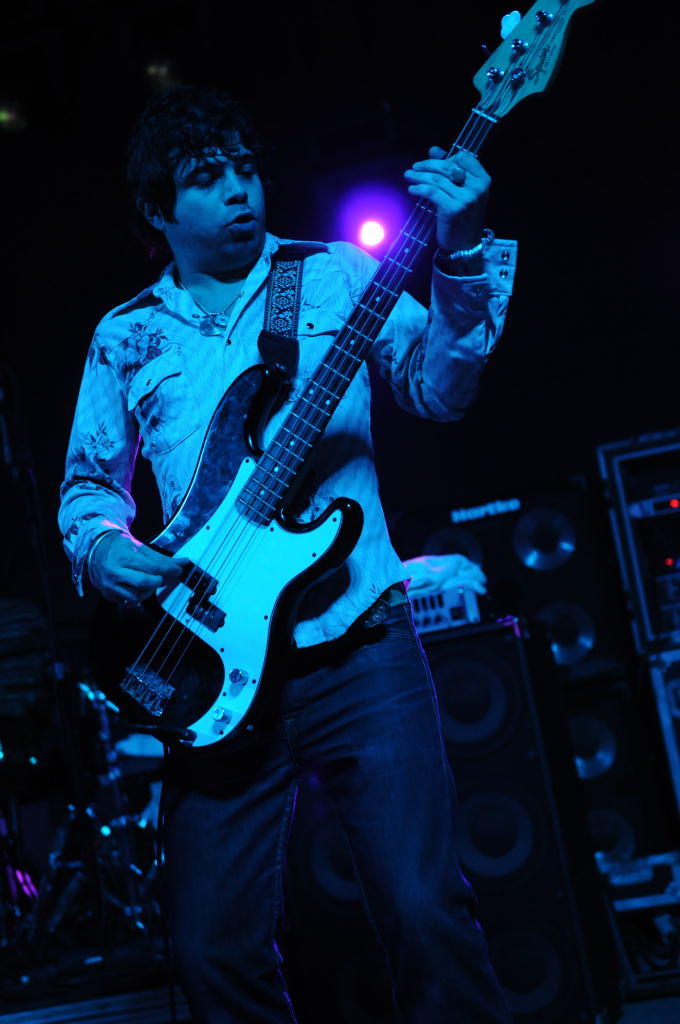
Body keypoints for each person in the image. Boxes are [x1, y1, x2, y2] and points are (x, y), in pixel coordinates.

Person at [59, 85, 516, 1023]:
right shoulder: (126, 334)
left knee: (425, 910)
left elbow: (440, 390)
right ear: (156, 209)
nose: (239, 191)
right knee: (210, 950)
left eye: (244, 169)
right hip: (211, 663)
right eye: (205, 178)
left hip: (362, 646)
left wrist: (462, 247)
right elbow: (89, 487)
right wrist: (106, 552)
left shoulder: (337, 275)